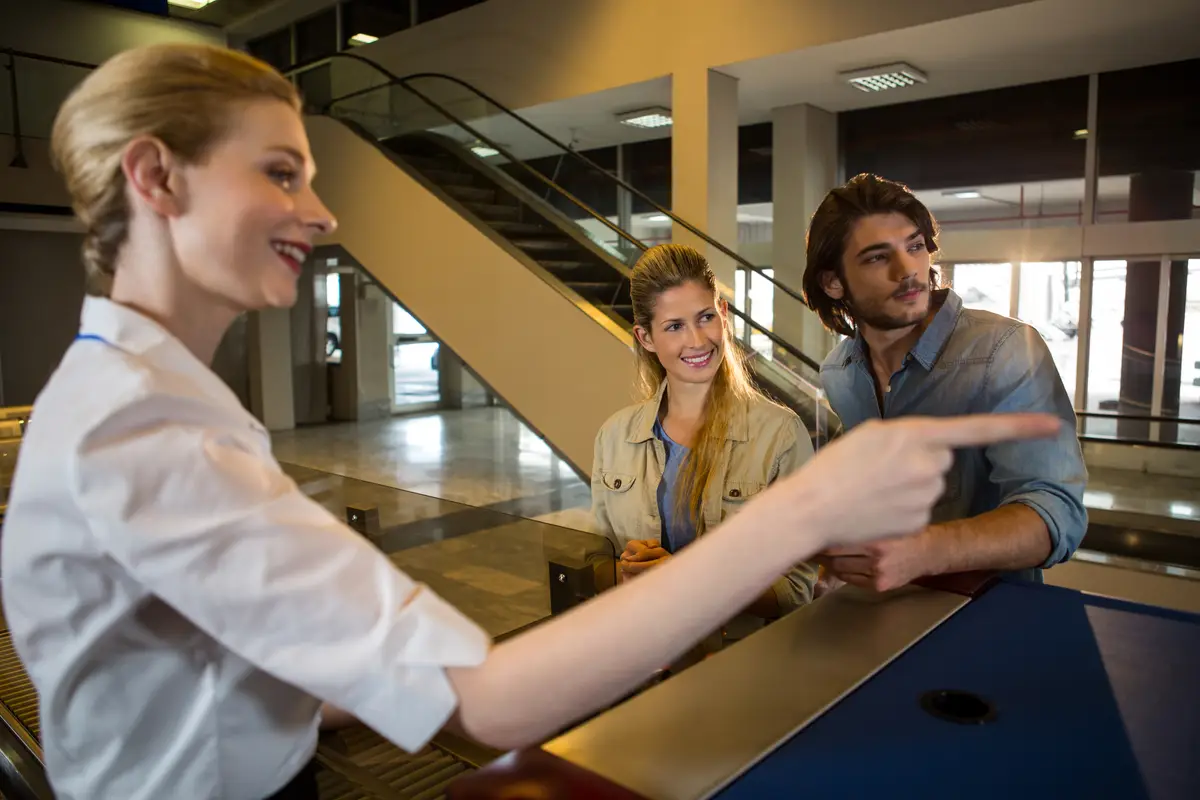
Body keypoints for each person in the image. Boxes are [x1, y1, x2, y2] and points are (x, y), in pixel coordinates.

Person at [0, 44, 1059, 800]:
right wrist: (807, 512)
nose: (321, 215)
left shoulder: (150, 402)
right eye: (281, 172)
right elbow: (491, 703)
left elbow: (245, 673)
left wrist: (376, 671)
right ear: (154, 177)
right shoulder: (147, 432)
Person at [801, 173, 1088, 593]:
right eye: (878, 257)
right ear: (833, 282)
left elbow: (1056, 512)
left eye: (915, 247)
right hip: (880, 619)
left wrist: (924, 551)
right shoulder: (839, 372)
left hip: (989, 623)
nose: (908, 271)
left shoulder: (1006, 349)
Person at [591, 244, 818, 653]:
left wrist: (688, 582)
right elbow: (598, 559)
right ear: (645, 337)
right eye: (674, 326)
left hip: (740, 666)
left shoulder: (780, 436)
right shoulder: (614, 436)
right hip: (641, 659)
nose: (697, 341)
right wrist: (623, 574)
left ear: (724, 315)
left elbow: (797, 588)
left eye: (705, 317)